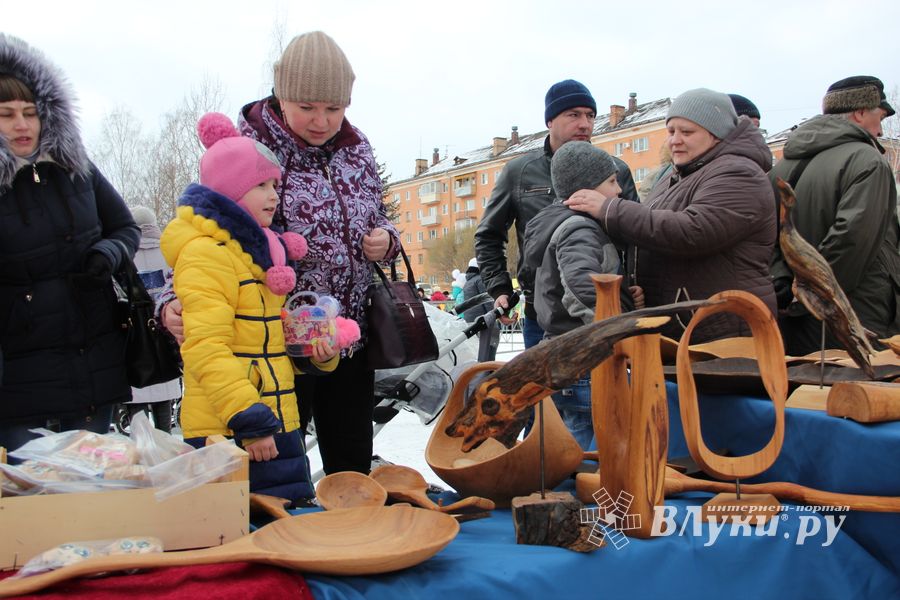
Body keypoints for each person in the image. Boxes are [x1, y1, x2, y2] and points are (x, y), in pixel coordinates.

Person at [162, 31, 400, 475]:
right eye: (307, 107)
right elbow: (203, 226)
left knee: (351, 463)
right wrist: (170, 299)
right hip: (273, 341)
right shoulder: (246, 149)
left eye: (334, 108)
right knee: (276, 470)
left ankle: (350, 517)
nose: (321, 121)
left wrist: (386, 239)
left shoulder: (357, 148)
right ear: (281, 94)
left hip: (345, 336)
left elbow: (378, 212)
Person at [161, 112, 338, 502]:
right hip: (230, 429)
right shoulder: (207, 255)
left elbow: (263, 343)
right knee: (241, 528)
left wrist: (313, 353)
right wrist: (248, 418)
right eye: (260, 185)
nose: (274, 195)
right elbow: (205, 348)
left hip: (276, 418)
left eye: (275, 184)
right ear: (230, 191)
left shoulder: (261, 254)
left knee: (289, 524)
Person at [0, 35, 139, 452]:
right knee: (30, 489)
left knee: (92, 484)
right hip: (21, 379)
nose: (22, 125)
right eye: (6, 115)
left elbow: (125, 228)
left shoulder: (77, 169)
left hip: (93, 363)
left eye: (30, 113)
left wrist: (106, 255)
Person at [566, 88, 776, 343]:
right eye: (671, 131)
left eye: (686, 132)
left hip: (723, 331)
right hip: (688, 327)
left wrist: (609, 209)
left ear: (716, 134)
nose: (674, 140)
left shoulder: (739, 173)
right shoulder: (681, 173)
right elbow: (649, 229)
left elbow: (694, 231)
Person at [475, 79, 639, 350]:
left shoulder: (616, 170)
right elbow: (489, 235)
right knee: (545, 380)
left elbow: (636, 235)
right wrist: (500, 288)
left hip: (604, 311)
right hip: (541, 314)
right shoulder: (519, 171)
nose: (585, 124)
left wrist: (635, 284)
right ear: (550, 121)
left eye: (590, 115)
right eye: (573, 115)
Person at [521, 142, 640, 449]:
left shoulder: (566, 223)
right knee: (588, 446)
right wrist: (614, 331)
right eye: (611, 181)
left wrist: (625, 298)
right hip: (584, 359)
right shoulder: (579, 228)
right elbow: (583, 288)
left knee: (571, 441)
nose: (619, 190)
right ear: (586, 189)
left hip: (566, 355)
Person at [770, 76, 899, 355]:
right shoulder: (869, 161)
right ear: (860, 113)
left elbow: (767, 236)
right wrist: (814, 293)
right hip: (853, 311)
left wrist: (787, 286)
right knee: (859, 380)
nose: (880, 129)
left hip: (793, 309)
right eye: (880, 117)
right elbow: (852, 238)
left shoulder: (783, 165)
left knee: (802, 379)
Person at [124, 206, 181, 433]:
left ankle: (141, 444)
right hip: (165, 330)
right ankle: (165, 442)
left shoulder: (126, 252)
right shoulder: (168, 249)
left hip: (136, 335)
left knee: (137, 400)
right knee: (164, 395)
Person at [461, 258, 501, 361]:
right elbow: (487, 300)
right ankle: (488, 368)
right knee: (489, 348)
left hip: (470, 321)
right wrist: (496, 313)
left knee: (477, 351)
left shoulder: (468, 282)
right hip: (484, 320)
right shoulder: (480, 280)